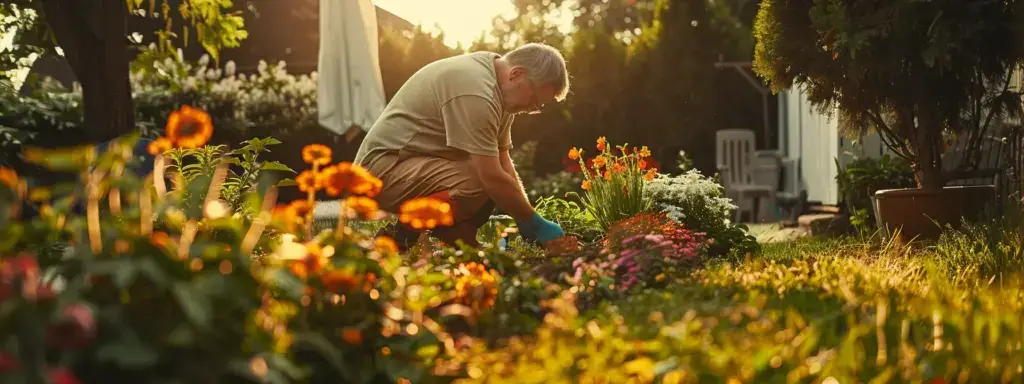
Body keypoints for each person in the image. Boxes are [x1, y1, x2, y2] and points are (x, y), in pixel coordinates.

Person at [354, 43, 568, 248]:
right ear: (516, 74)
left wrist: (525, 215)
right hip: (379, 172)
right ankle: (401, 235)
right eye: (534, 99)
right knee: (482, 181)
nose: (531, 108)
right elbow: (491, 177)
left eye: (538, 106)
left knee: (495, 182)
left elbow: (504, 163)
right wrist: (536, 223)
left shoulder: (499, 91)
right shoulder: (476, 93)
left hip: (410, 164)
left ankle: (460, 241)